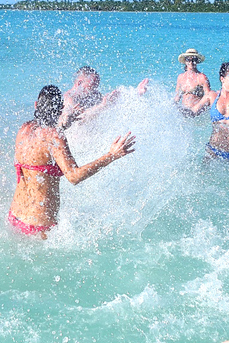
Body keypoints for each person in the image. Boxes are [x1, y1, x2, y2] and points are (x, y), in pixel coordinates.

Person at [9, 85, 135, 238]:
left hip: (15, 216)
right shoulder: (55, 136)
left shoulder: (24, 129)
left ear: (36, 104)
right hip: (39, 225)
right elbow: (74, 176)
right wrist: (111, 155)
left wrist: (63, 125)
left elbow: (41, 146)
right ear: (61, 108)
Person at [62, 66, 149, 126]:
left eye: (97, 85)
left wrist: (136, 93)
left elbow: (112, 104)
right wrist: (102, 105)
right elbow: (79, 120)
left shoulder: (92, 95)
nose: (95, 89)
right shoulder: (69, 98)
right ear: (80, 83)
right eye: (92, 85)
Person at [173, 48, 211, 117]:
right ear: (185, 61)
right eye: (188, 59)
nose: (191, 62)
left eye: (194, 60)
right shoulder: (180, 77)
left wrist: (196, 109)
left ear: (197, 61)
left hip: (196, 114)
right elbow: (177, 96)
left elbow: (208, 96)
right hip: (183, 112)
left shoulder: (201, 77)